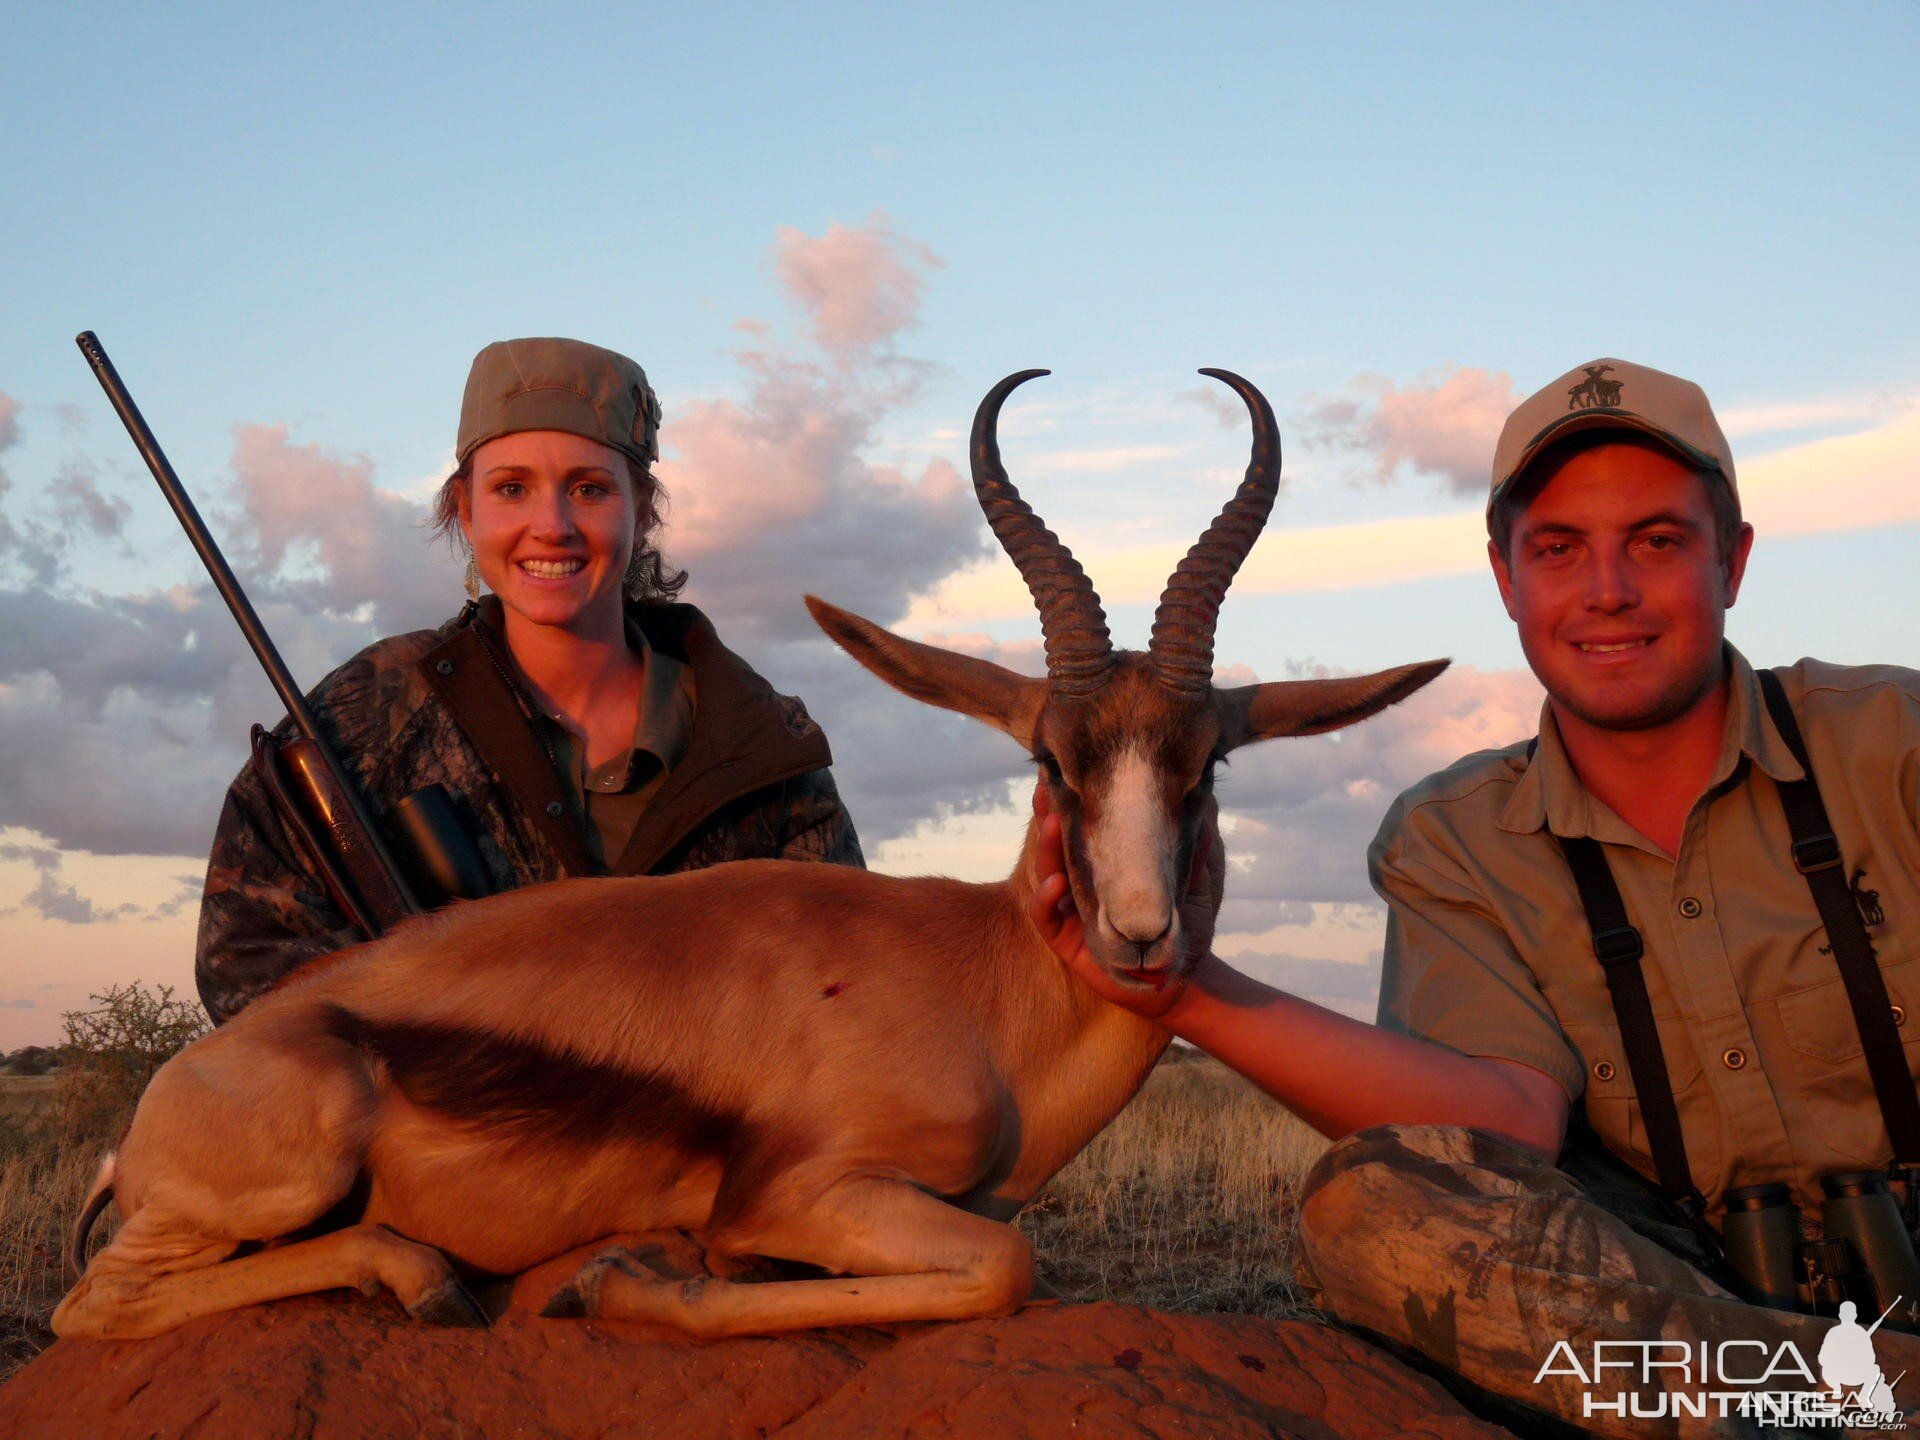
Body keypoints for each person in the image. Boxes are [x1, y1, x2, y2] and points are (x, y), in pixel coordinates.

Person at [1031, 357, 1920, 1435]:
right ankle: (1843, 1406)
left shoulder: (1891, 743)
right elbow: (1507, 1120)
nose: (1607, 592)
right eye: (1558, 550)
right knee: (1375, 1205)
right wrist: (1181, 994)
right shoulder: (1452, 838)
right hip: (1689, 1298)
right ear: (1506, 578)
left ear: (1731, 562)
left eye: (1657, 540)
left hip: (1733, 1349)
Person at [197, 337, 862, 1022]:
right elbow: (246, 967)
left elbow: (849, 995)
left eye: (590, 489)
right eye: (511, 488)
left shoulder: (764, 751)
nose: (552, 526)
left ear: (643, 511)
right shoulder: (361, 717)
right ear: (465, 508)